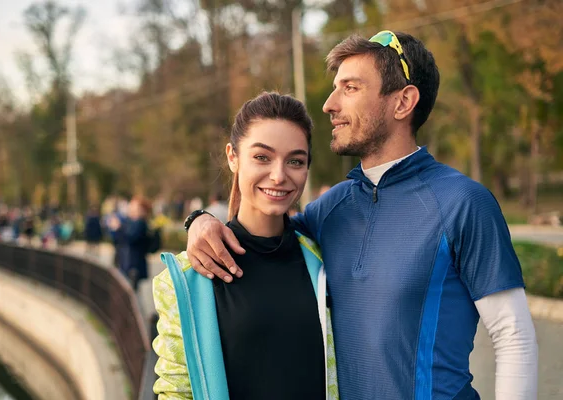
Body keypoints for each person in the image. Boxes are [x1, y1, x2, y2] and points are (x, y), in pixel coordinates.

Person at [184, 32, 538, 399]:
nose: (329, 104)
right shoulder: (329, 209)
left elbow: (514, 337)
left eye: (350, 88)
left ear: (403, 102)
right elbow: (262, 231)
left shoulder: (463, 202)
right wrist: (200, 221)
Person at [152, 92, 338, 399]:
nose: (278, 176)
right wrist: (197, 219)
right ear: (233, 156)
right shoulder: (188, 278)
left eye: (295, 161)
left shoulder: (324, 259)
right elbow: (176, 391)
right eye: (262, 157)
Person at [109, 196, 151, 291]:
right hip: (125, 262)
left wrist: (118, 228)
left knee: (131, 293)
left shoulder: (140, 223)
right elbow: (118, 239)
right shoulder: (129, 222)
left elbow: (131, 239)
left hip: (133, 264)